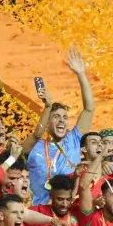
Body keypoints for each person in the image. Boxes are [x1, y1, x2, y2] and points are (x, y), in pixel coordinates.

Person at [26, 47, 95, 205]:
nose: (62, 121)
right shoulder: (35, 146)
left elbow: (89, 108)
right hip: (39, 211)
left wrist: (81, 74)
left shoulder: (74, 140)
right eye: (56, 117)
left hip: (67, 210)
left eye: (65, 117)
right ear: (47, 123)